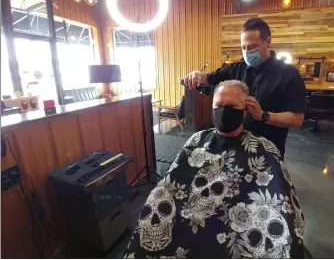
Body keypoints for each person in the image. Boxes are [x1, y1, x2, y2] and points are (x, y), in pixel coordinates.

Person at [124, 80, 305, 259]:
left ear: (245, 111)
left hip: (244, 222)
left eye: (232, 106)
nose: (224, 111)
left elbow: (283, 203)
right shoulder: (197, 140)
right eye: (219, 105)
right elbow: (171, 184)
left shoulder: (264, 148)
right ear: (212, 107)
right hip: (192, 214)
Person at [183, 18, 306, 157]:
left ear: (268, 42)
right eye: (243, 48)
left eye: (252, 47)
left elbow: (297, 119)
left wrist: (263, 116)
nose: (247, 51)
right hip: (232, 147)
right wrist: (197, 74)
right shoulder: (235, 69)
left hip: (266, 150)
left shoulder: (288, 74)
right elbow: (207, 78)